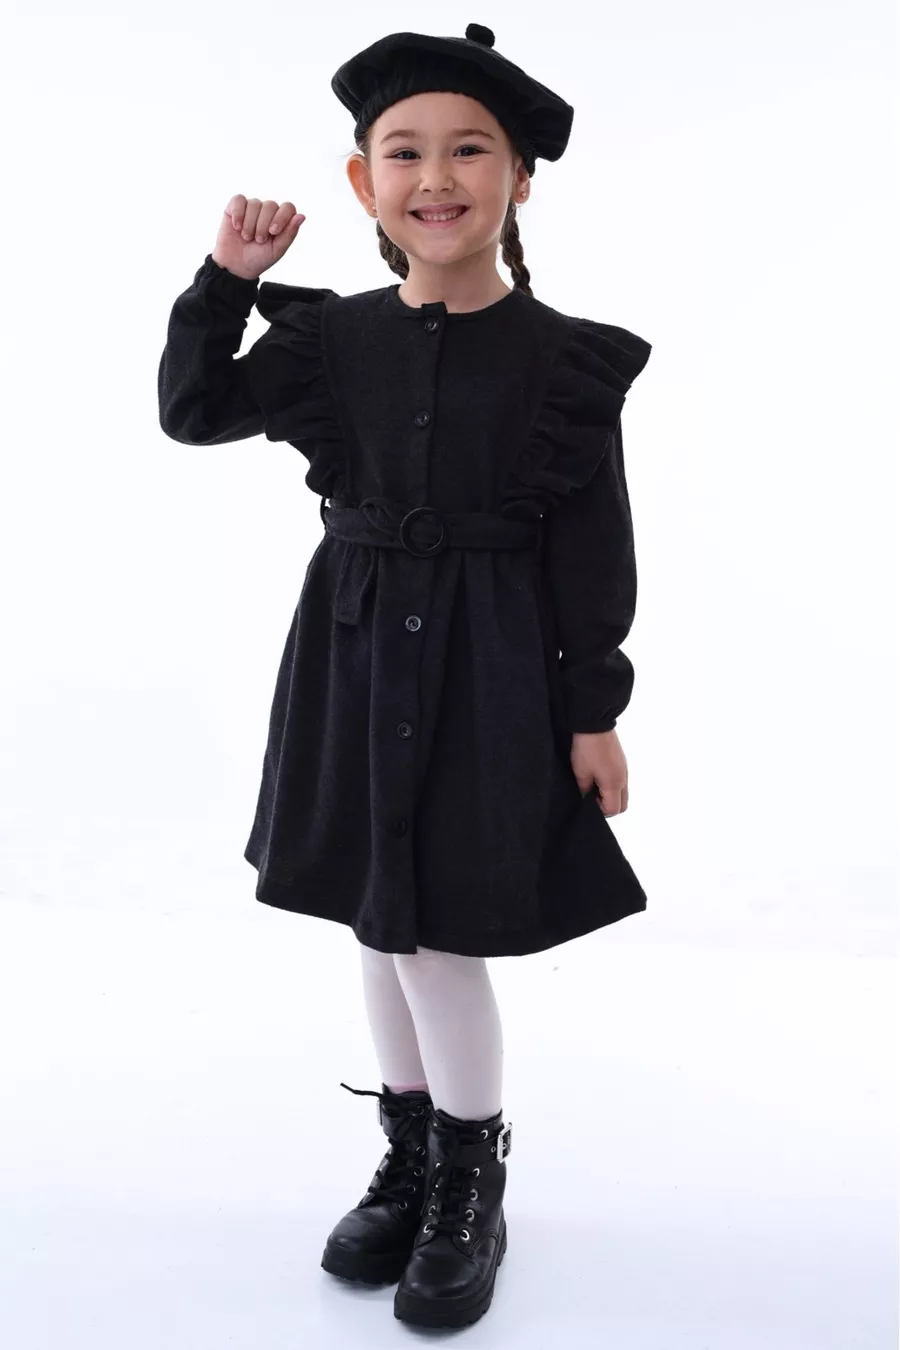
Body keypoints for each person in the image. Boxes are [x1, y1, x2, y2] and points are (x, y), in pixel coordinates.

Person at [157, 21, 652, 1331]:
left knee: (438, 931)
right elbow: (193, 410)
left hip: (492, 671)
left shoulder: (567, 365)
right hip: (356, 649)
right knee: (378, 921)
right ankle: (415, 1153)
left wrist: (594, 709)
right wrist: (225, 281)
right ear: (361, 179)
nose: (436, 177)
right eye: (404, 151)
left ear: (520, 178)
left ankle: (472, 1177)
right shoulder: (331, 343)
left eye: (470, 150)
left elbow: (595, 549)